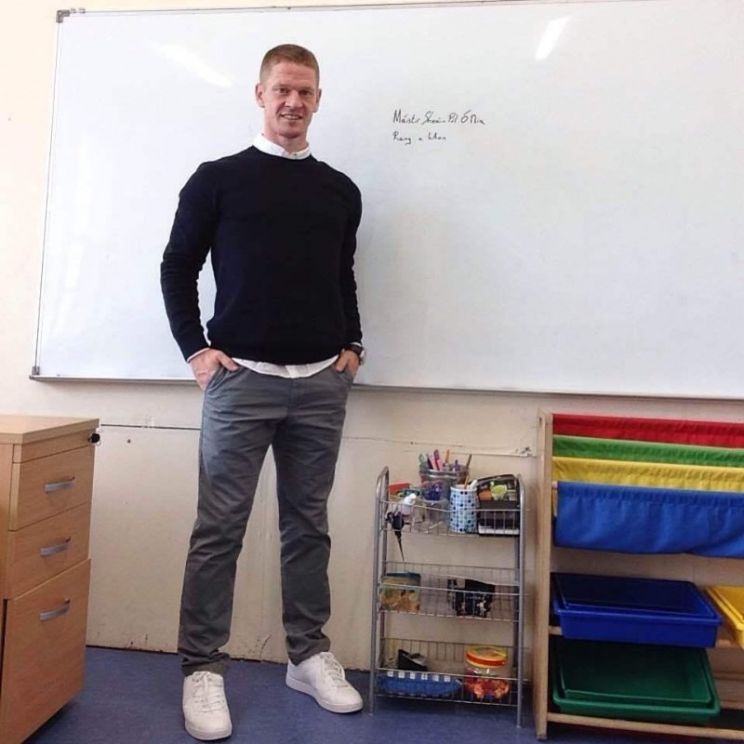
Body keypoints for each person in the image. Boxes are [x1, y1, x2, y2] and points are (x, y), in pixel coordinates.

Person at [160, 43, 364, 741]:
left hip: (321, 385)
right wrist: (196, 351)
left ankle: (306, 656)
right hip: (239, 381)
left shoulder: (340, 190)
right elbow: (177, 266)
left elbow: (343, 274)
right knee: (218, 530)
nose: (293, 102)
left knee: (307, 527)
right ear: (260, 94)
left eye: (305, 92)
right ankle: (202, 667)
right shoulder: (217, 180)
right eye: (282, 89)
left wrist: (353, 344)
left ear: (318, 99)